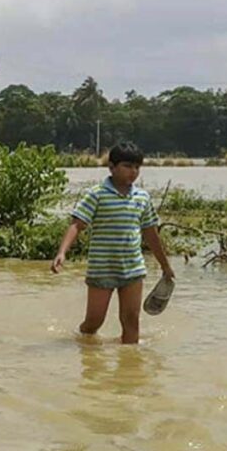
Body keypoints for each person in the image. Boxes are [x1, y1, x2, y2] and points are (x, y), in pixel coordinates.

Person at [51, 142, 175, 344]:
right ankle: (83, 345)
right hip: (102, 269)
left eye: (137, 167)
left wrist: (165, 266)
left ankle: (130, 369)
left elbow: (151, 233)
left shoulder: (142, 197)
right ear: (112, 167)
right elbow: (77, 225)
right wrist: (62, 252)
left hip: (133, 269)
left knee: (131, 322)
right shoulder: (97, 194)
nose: (133, 172)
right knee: (94, 322)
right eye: (127, 166)